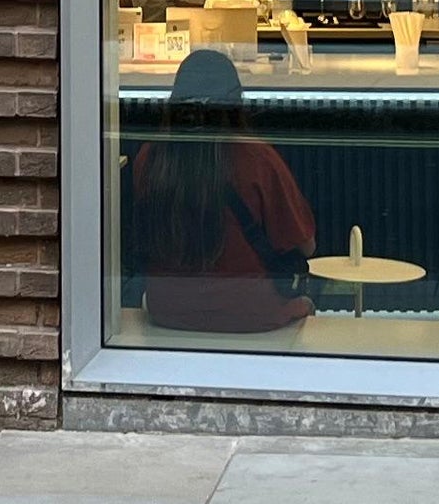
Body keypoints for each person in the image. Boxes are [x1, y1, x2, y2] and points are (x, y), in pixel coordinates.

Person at [123, 49, 316, 333]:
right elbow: (306, 245)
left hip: (168, 309)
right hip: (252, 313)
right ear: (236, 105)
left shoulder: (149, 158)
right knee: (308, 308)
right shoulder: (257, 159)